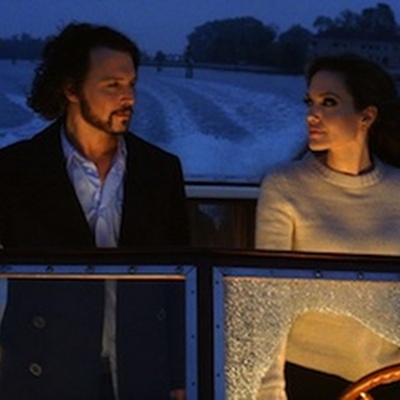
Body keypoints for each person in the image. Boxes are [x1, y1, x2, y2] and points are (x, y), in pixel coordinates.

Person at [0, 23, 189, 400]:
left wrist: (180, 376)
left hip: (139, 375)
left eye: (131, 84)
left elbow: (180, 283)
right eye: (112, 85)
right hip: (44, 374)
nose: (128, 97)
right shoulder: (15, 171)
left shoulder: (160, 170)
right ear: (71, 89)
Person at [256, 54, 400, 399]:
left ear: (367, 116)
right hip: (309, 377)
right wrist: (270, 390)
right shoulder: (285, 185)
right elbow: (267, 296)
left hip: (390, 377)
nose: (312, 114)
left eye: (328, 103)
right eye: (310, 102)